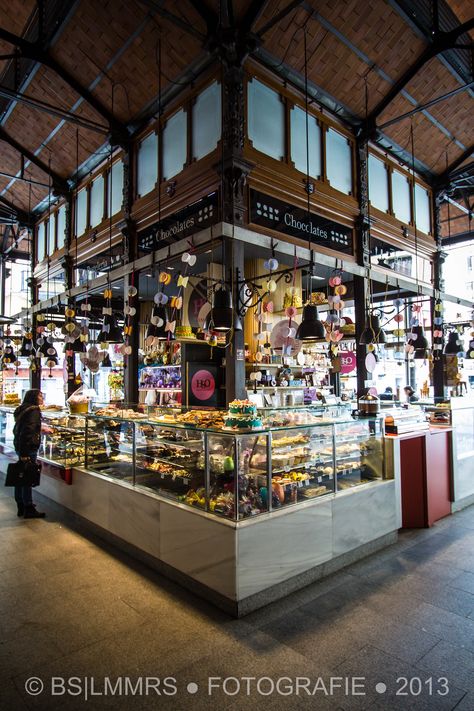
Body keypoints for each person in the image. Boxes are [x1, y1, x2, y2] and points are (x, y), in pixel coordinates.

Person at [13, 389, 45, 518]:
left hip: (19, 446)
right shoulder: (34, 410)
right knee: (27, 478)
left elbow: (24, 427)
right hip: (28, 447)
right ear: (34, 398)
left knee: (20, 476)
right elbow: (28, 431)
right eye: (40, 396)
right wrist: (25, 453)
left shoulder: (22, 408)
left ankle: (20, 504)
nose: (42, 398)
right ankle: (28, 507)